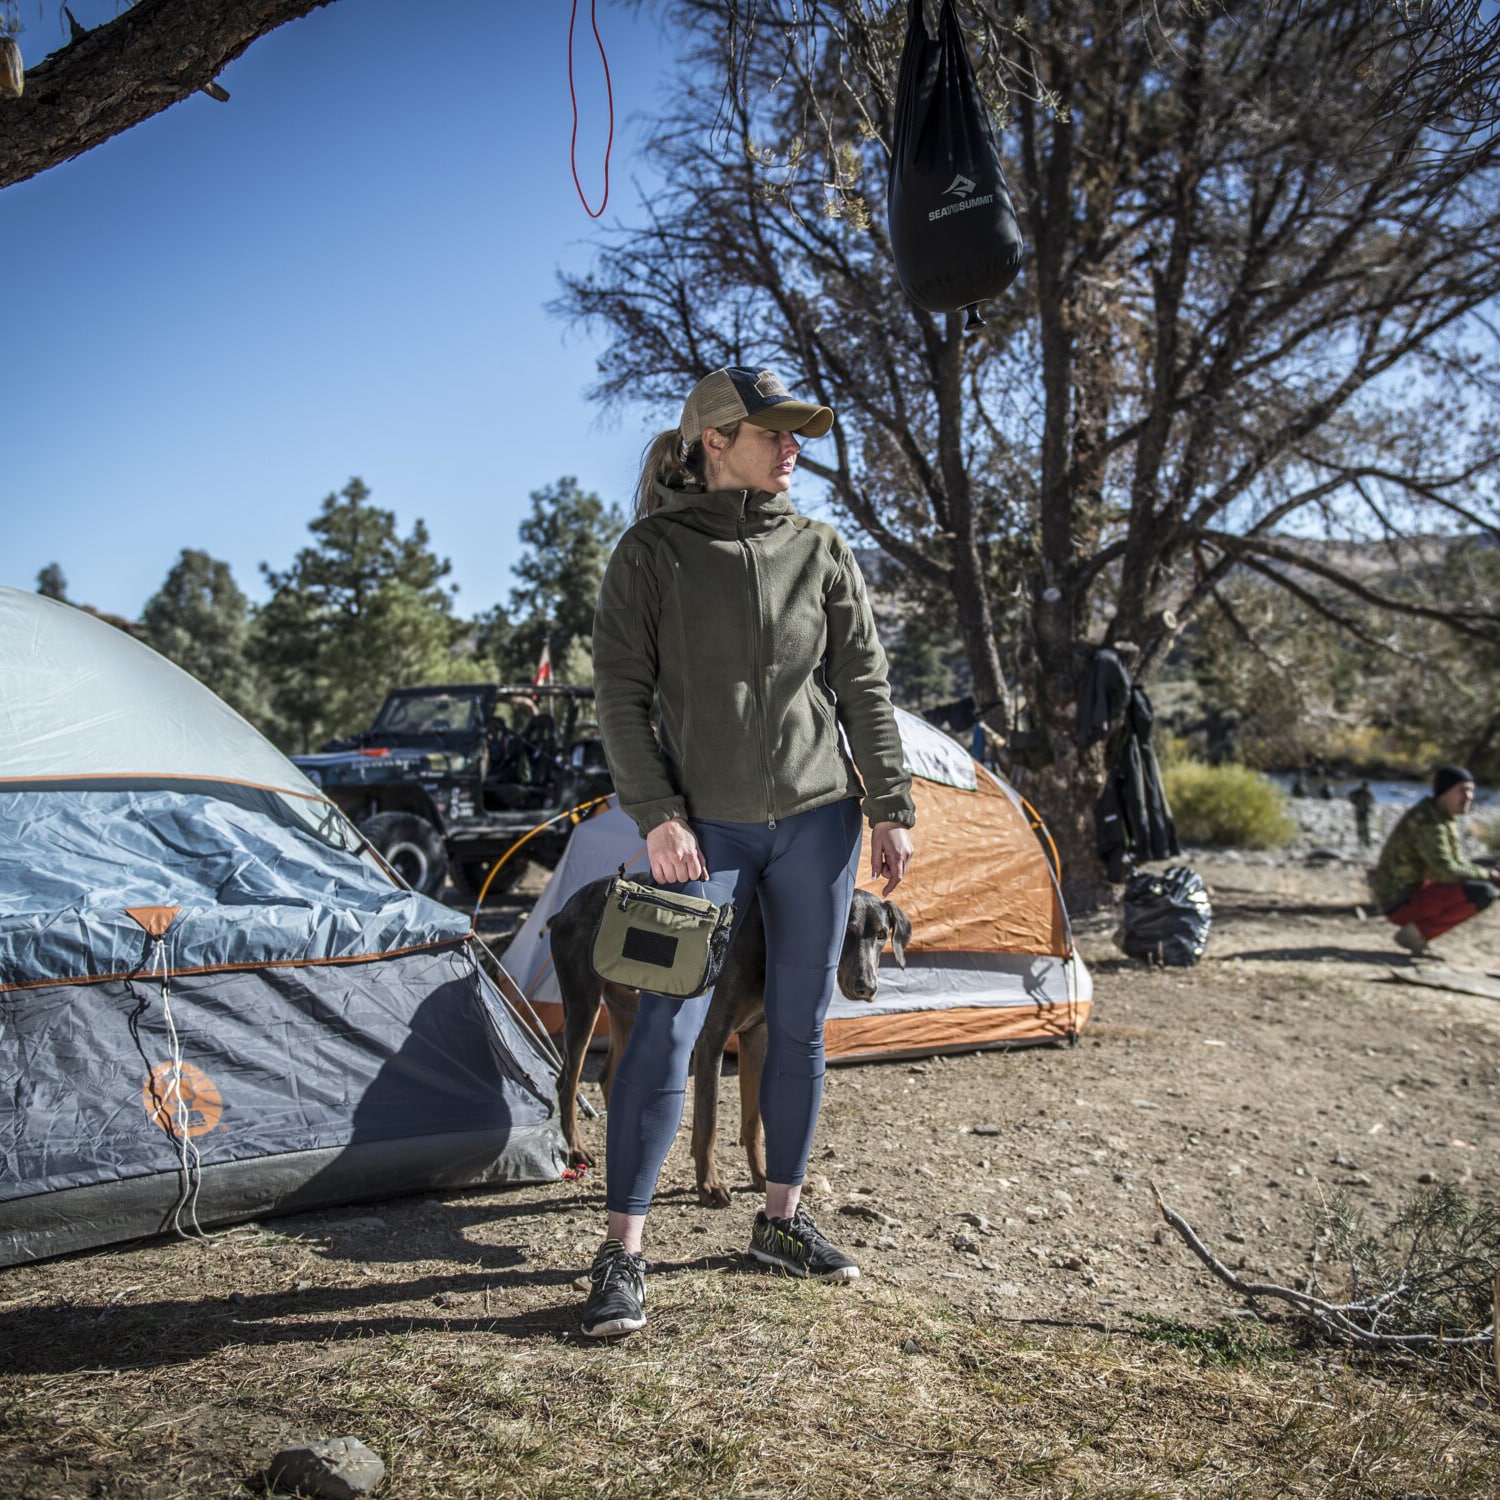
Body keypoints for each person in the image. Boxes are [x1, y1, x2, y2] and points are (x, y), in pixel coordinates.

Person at [581, 365, 916, 1338]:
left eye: (797, 432)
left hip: (818, 826)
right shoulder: (651, 554)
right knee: (667, 1033)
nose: (793, 446)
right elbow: (619, 695)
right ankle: (623, 1253)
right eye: (772, 431)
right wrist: (657, 814)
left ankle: (780, 1220)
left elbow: (862, 683)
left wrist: (888, 804)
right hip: (698, 836)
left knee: (801, 1028)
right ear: (714, 442)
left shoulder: (820, 548)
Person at [1370, 765, 1500, 955]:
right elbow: (1445, 871)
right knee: (1482, 892)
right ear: (1445, 792)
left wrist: (1489, 873)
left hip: (1410, 895)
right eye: (1462, 791)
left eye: (1471, 791)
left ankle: (1417, 933)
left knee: (1484, 881)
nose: (1469, 797)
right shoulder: (1429, 821)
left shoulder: (1441, 816)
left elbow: (1456, 864)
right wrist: (1489, 875)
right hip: (1400, 901)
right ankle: (1416, 934)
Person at [1348, 781, 1375, 848]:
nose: (1365, 788)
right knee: (1360, 825)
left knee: (1365, 826)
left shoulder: (1368, 793)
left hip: (1364, 812)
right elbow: (1350, 795)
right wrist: (1354, 802)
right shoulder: (1358, 792)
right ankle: (1360, 840)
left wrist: (1370, 808)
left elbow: (1372, 801)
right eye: (1364, 786)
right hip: (1359, 811)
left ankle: (1366, 840)